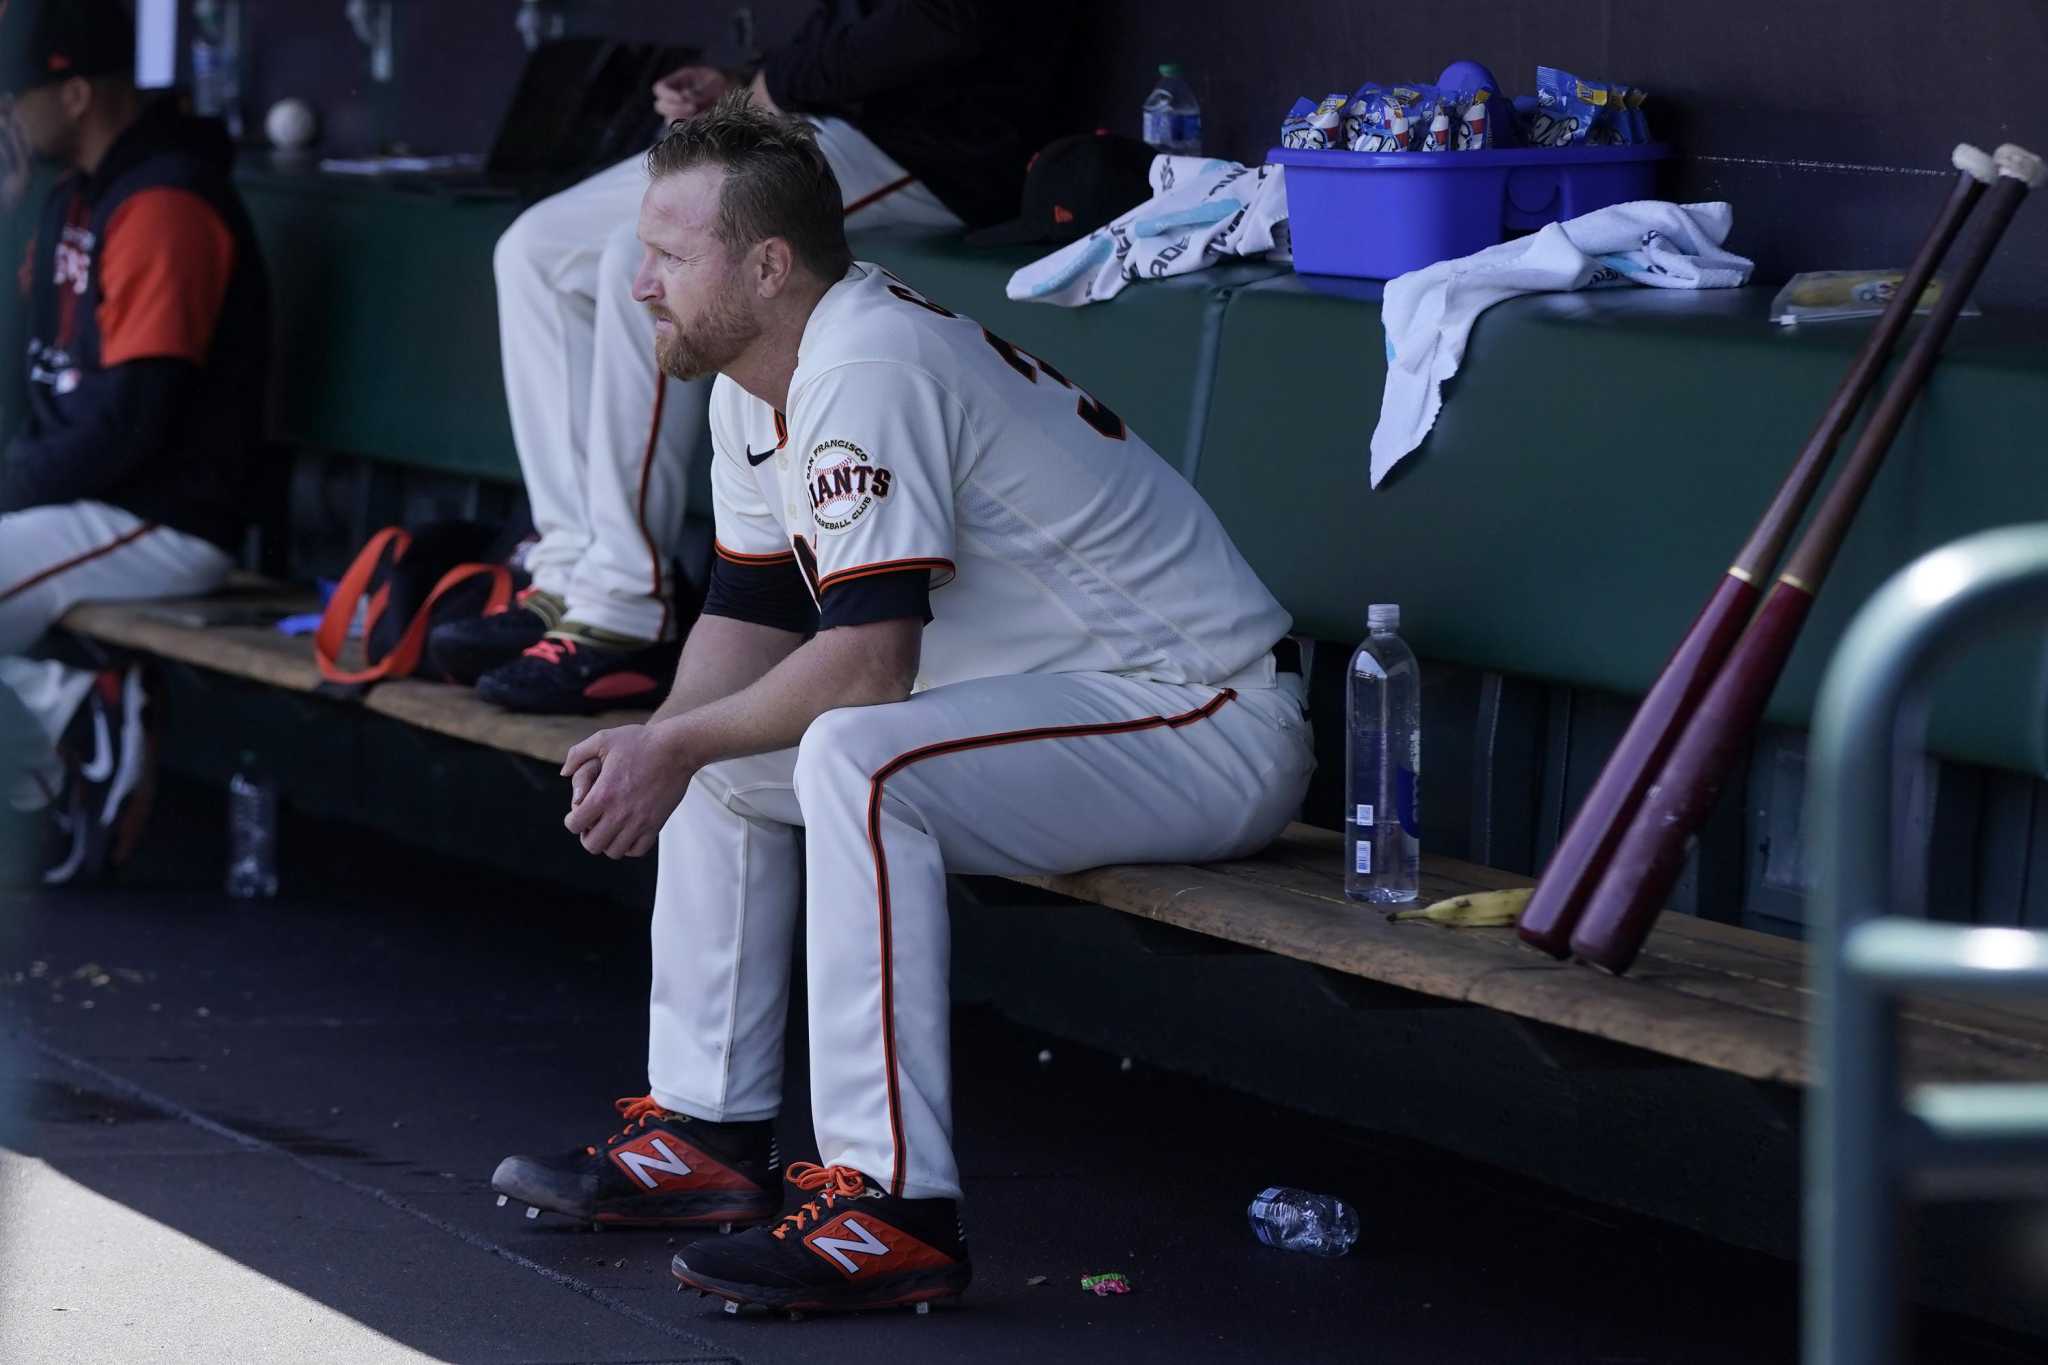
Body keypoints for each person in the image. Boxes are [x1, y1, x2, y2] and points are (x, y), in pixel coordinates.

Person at [489, 99, 1313, 1316]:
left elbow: (870, 668)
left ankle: (890, 1210)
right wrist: (661, 744)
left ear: (768, 265)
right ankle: (704, 1139)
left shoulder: (865, 362)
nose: (640, 288)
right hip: (1050, 707)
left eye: (667, 258)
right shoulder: (751, 376)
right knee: (725, 753)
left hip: (1201, 715)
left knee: (854, 759)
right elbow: (748, 623)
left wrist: (677, 740)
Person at [431, 0, 1075, 715]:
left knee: (634, 264)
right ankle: (567, 571)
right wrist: (745, 84)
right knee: (536, 247)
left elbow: (948, 25)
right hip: (818, 127)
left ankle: (622, 606)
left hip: (932, 152)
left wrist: (779, 85)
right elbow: (850, 27)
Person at [0, 0, 269, 885]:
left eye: (15, 94)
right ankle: (67, 704)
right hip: (80, 501)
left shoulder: (165, 200)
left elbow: (131, 424)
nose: (5, 113)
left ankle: (71, 720)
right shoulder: (73, 194)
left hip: (160, 517)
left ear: (74, 92)